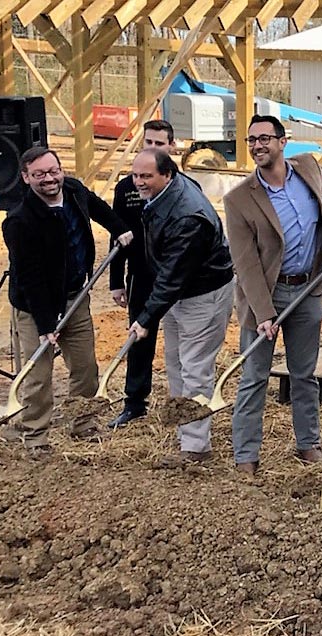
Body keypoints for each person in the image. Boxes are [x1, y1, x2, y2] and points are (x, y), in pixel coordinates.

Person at [223, 115, 322, 476]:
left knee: (304, 374)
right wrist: (265, 314)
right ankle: (246, 455)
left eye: (265, 138)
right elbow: (246, 263)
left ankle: (307, 444)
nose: (257, 145)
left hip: (308, 291)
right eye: (251, 139)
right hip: (266, 295)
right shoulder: (239, 199)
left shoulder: (308, 169)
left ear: (283, 142)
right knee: (255, 376)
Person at [0, 146, 132, 450]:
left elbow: (98, 207)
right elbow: (30, 277)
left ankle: (82, 423)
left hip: (76, 297)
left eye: (53, 171)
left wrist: (119, 229)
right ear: (26, 177)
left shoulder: (73, 190)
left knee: (86, 368)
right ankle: (35, 435)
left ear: (62, 170)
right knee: (38, 374)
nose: (49, 179)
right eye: (40, 174)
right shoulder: (19, 221)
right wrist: (47, 324)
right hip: (35, 308)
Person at [127, 148, 234, 468]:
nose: (139, 182)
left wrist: (145, 318)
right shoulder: (165, 195)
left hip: (203, 295)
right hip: (179, 294)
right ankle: (185, 429)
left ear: (167, 174)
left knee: (195, 368)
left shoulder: (188, 216)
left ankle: (197, 447)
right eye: (135, 175)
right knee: (175, 361)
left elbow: (173, 275)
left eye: (146, 176)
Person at [108, 119, 178, 429]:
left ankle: (182, 401)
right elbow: (117, 234)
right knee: (139, 338)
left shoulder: (184, 186)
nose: (152, 148)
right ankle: (135, 403)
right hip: (140, 275)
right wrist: (115, 281)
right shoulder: (126, 188)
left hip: (177, 277)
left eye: (159, 144)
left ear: (171, 148)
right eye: (148, 142)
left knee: (181, 340)